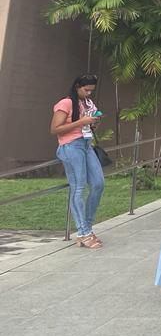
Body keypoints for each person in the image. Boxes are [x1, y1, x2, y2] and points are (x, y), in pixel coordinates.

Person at [51, 74, 106, 248]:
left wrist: (93, 122)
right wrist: (81, 122)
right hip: (70, 146)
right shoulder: (66, 103)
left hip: (86, 144)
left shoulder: (87, 103)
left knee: (98, 183)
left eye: (91, 90)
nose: (88, 93)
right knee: (78, 187)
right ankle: (83, 232)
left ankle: (87, 227)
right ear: (77, 87)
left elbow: (87, 124)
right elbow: (55, 129)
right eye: (86, 90)